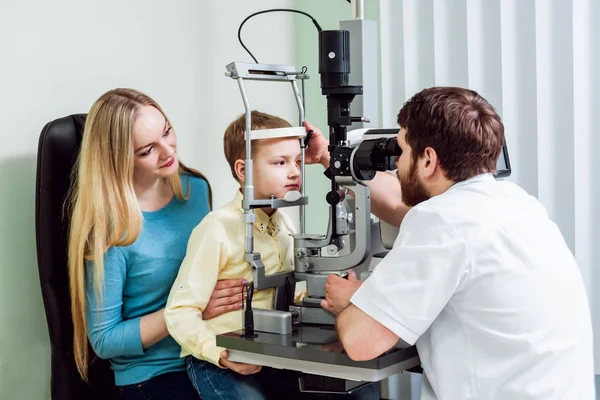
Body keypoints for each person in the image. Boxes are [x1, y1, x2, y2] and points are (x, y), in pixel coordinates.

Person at [315, 87, 594, 399]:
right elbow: (401, 205)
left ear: (429, 159)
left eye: (403, 152)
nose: (397, 164)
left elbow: (360, 341)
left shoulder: (441, 220)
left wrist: (352, 302)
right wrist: (328, 156)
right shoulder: (516, 203)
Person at [165, 110, 378, 400]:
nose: (294, 172)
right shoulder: (216, 228)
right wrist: (219, 352)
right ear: (243, 171)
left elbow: (288, 293)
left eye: (298, 162)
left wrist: (326, 298)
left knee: (355, 389)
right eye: (280, 162)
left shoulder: (284, 224)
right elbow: (178, 312)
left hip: (269, 351)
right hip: (217, 359)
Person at [67, 88, 246, 400]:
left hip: (207, 352)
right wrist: (190, 309)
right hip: (153, 375)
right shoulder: (112, 233)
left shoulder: (195, 189)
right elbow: (104, 339)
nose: (168, 151)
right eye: (147, 150)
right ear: (119, 160)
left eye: (167, 132)